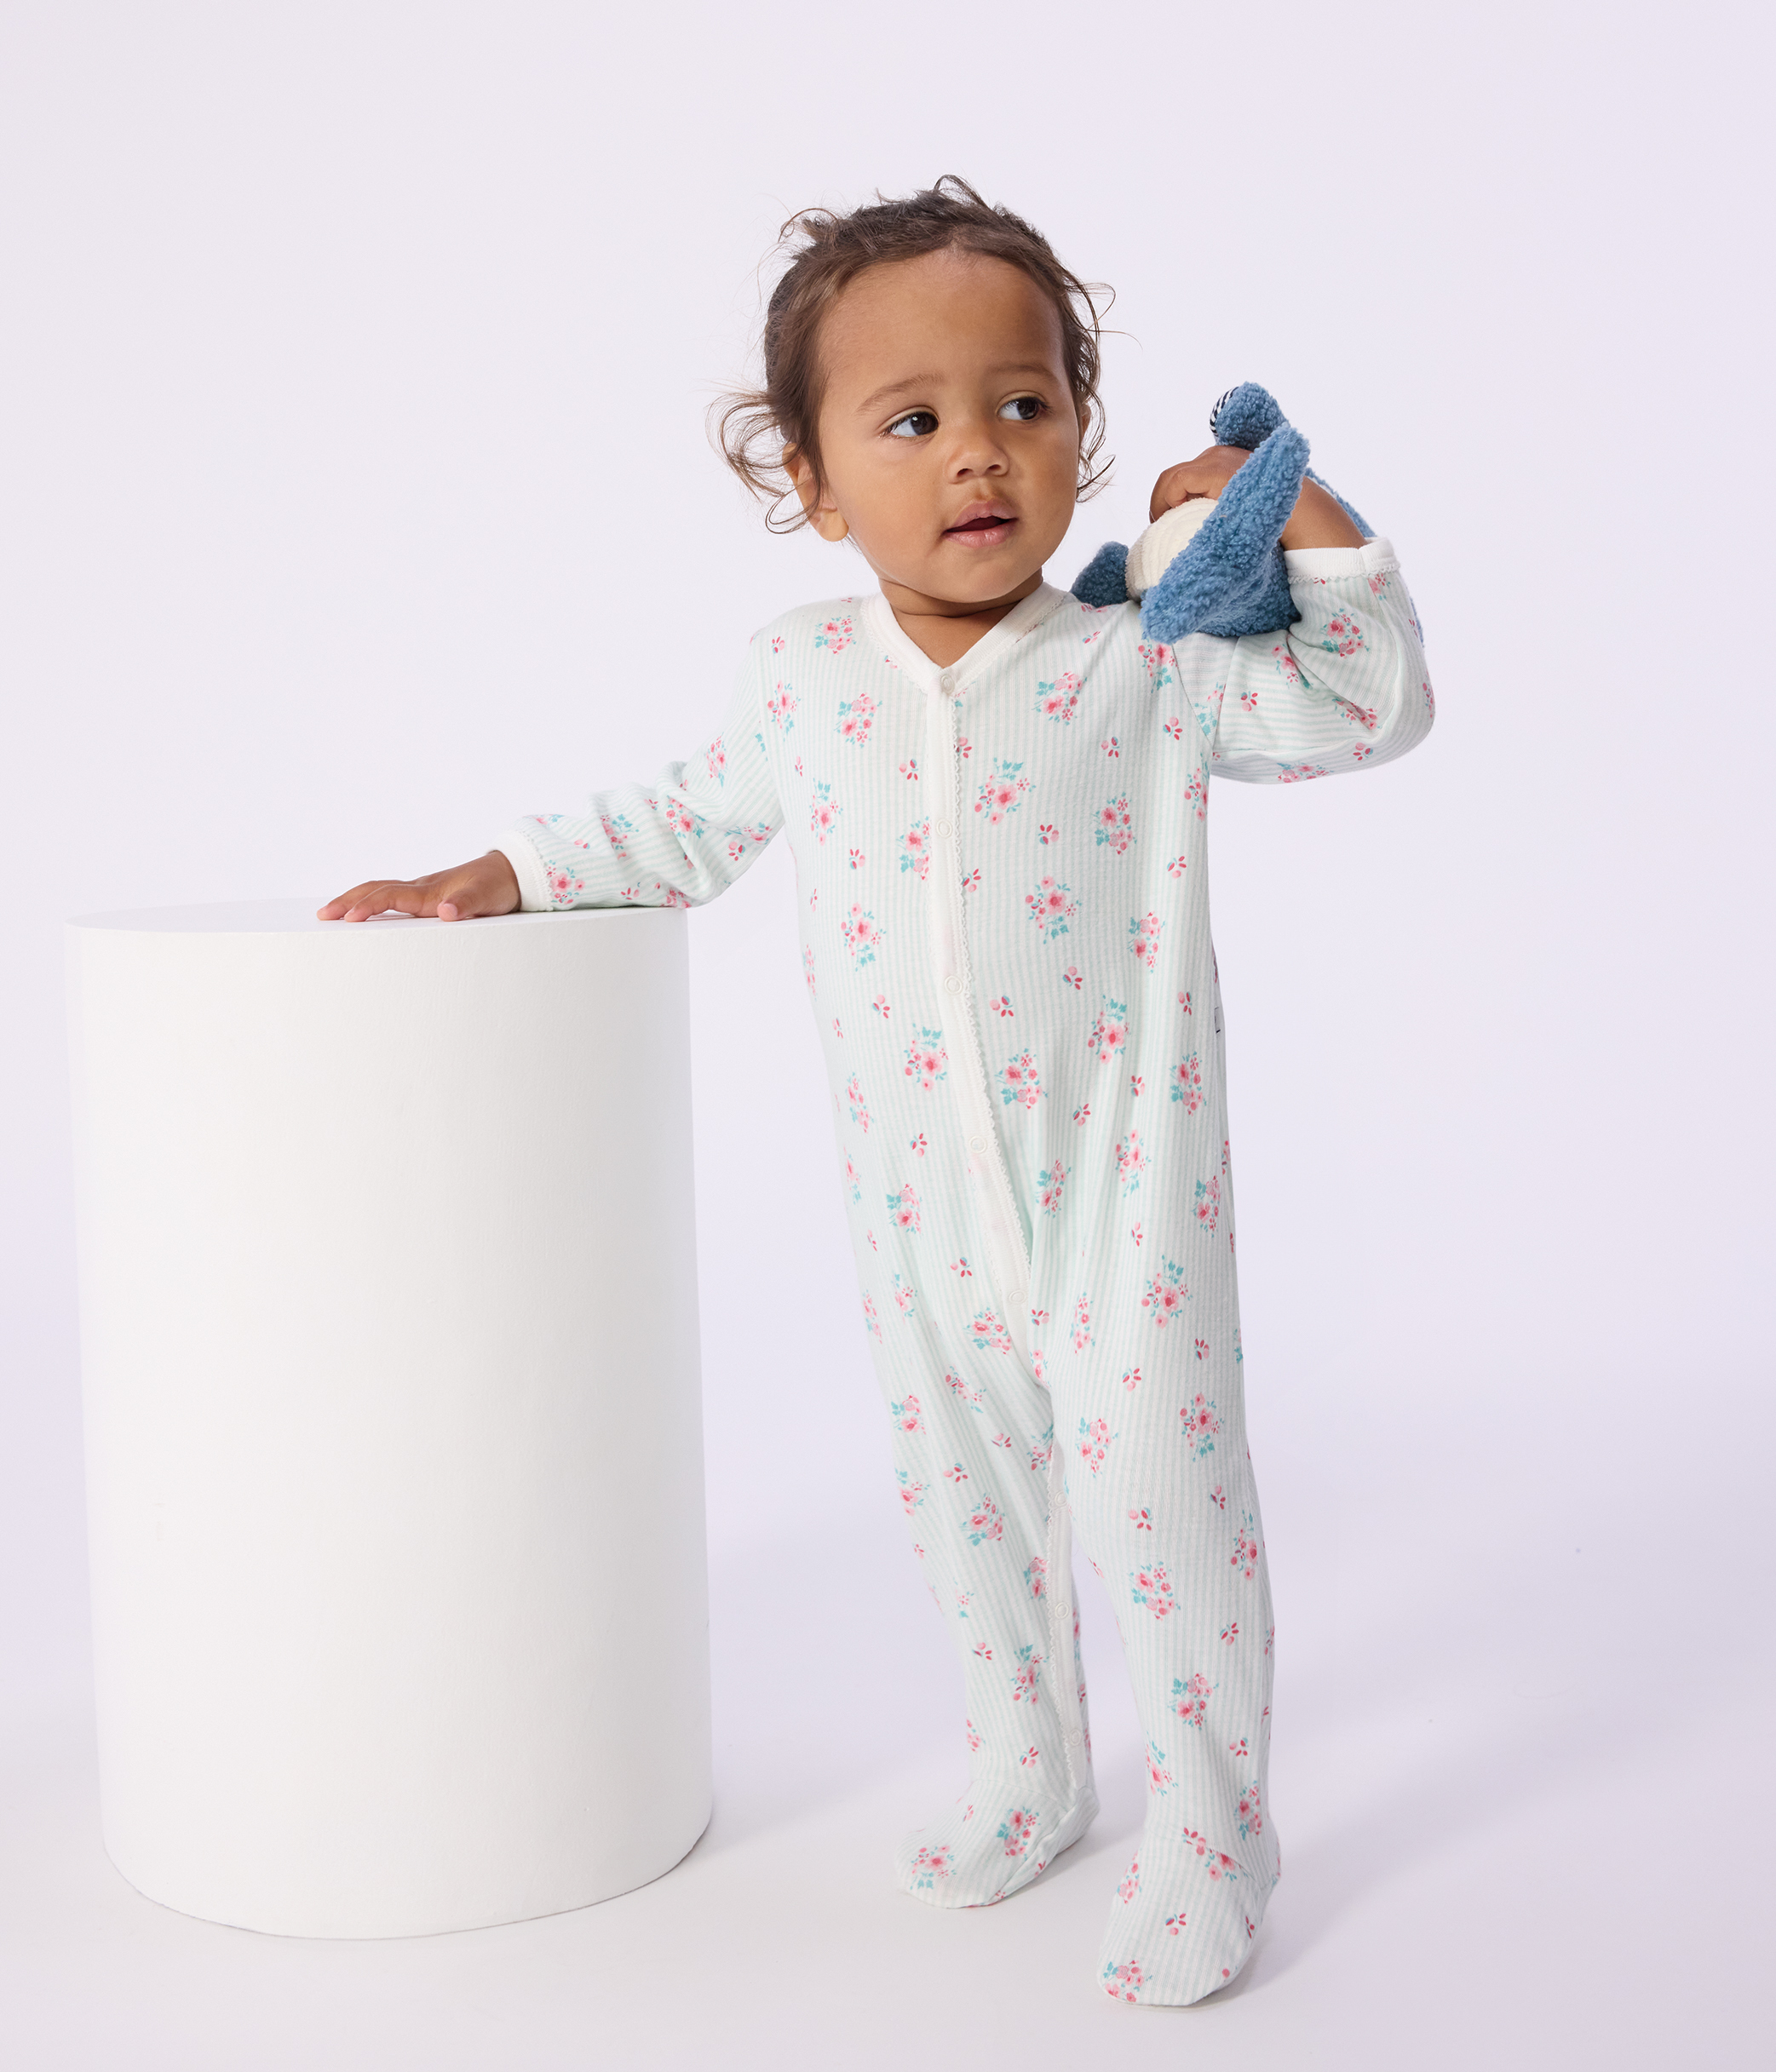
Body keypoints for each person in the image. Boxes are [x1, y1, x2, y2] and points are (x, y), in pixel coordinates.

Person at [319, 175, 1433, 2006]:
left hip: (1124, 1200)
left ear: (1078, 430)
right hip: (914, 1211)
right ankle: (1029, 1766)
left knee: (1164, 1518)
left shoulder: (1142, 666)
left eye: (1023, 403)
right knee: (966, 1506)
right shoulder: (799, 681)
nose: (978, 451)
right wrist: (502, 869)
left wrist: (1283, 499)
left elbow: (1367, 702)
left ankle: (1211, 1827)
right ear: (815, 482)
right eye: (910, 421)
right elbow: (675, 821)